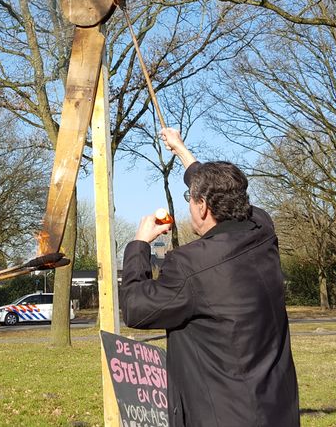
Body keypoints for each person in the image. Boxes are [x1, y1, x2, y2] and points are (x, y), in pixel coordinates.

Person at [119, 128, 299, 426]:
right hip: (276, 409)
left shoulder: (191, 264)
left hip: (224, 415)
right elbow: (222, 189)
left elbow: (136, 308)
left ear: (202, 205)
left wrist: (138, 245)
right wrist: (181, 150)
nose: (190, 205)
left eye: (191, 199)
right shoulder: (262, 228)